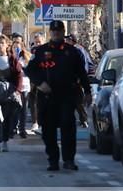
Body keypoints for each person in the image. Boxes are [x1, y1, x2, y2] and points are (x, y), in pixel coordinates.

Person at [26, 20, 91, 171]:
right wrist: (40, 83)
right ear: (50, 32)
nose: (56, 33)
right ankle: (53, 160)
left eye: (58, 31)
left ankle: (69, 159)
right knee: (48, 130)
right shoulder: (40, 51)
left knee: (68, 128)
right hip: (47, 97)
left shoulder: (72, 51)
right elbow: (30, 70)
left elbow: (82, 73)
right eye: (53, 31)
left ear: (63, 32)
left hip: (67, 96)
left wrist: (87, 92)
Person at [12, 38, 32, 139]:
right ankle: (13, 128)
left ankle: (22, 129)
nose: (16, 48)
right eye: (14, 46)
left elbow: (30, 71)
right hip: (14, 87)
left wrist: (22, 67)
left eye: (18, 45)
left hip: (24, 86)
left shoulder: (26, 57)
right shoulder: (11, 57)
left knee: (23, 109)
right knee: (14, 108)